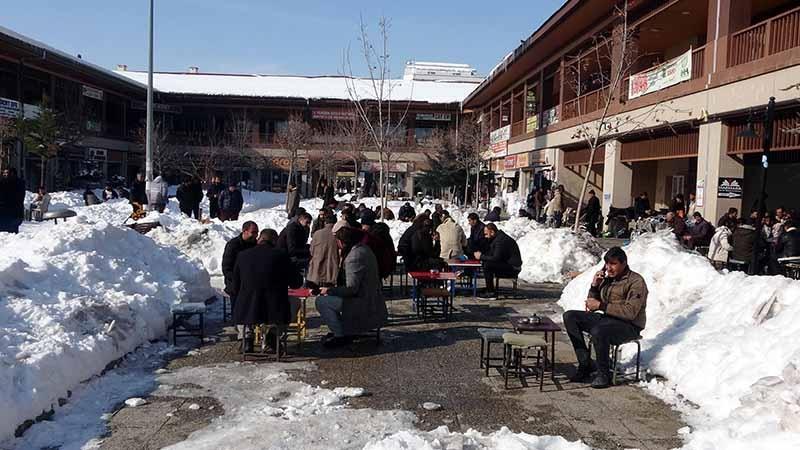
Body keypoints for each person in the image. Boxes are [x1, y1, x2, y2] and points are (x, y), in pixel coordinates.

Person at [563, 247, 647, 389]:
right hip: (608, 319)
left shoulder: (636, 281)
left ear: (624, 263)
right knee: (570, 316)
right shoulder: (608, 279)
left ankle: (603, 374)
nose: (609, 268)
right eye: (607, 264)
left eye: (613, 264)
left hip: (629, 325)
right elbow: (592, 304)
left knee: (599, 330)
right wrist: (594, 286)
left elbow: (630, 312)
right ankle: (585, 363)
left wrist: (601, 305)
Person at [231, 228, 303, 353]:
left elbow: (235, 285)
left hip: (248, 307)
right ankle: (272, 336)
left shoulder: (243, 255)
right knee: (295, 302)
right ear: (274, 241)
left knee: (241, 302)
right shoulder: (282, 255)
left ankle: (247, 338)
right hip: (275, 308)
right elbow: (296, 283)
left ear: (260, 238)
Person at [315, 227, 388, 348]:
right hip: (372, 298)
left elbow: (351, 289)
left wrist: (329, 290)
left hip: (364, 302)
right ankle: (343, 330)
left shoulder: (354, 257)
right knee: (327, 299)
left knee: (321, 302)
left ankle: (340, 334)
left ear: (341, 242)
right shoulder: (364, 248)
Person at [222, 220, 259, 340]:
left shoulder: (255, 244)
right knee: (238, 304)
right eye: (253, 232)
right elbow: (226, 268)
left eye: (257, 233)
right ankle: (240, 328)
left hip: (251, 281)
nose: (255, 235)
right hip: (235, 282)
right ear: (245, 231)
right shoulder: (233, 245)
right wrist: (239, 279)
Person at [475, 223, 522, 298]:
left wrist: (481, 256)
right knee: (486, 263)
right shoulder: (497, 238)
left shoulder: (500, 240)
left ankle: (490, 292)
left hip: (514, 267)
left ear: (492, 232)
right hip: (507, 263)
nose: (485, 236)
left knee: (488, 265)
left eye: (486, 234)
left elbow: (496, 258)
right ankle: (489, 288)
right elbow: (492, 254)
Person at [307, 214, 340, 289]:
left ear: (325, 222)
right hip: (331, 269)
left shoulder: (317, 233)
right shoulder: (337, 234)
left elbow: (311, 250)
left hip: (317, 268)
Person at [0, 168, 26, 233]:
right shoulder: (21, 183)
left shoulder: (5, 183)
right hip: (16, 215)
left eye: (6, 173)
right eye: (4, 173)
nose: (4, 175)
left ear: (12, 174)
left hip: (7, 215)